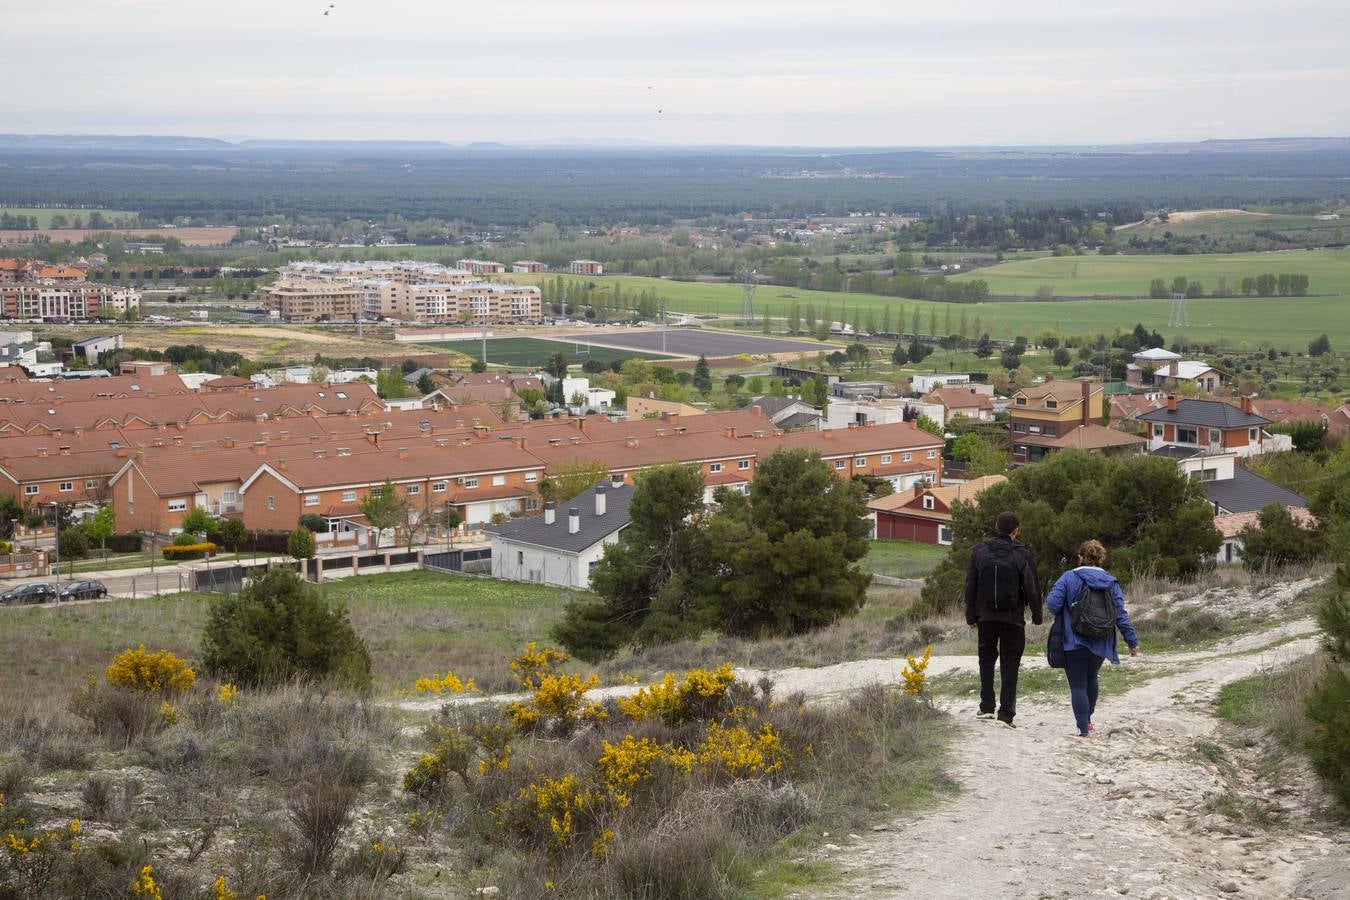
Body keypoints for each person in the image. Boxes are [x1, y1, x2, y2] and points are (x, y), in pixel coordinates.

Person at [1045, 539, 1140, 738]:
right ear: (1101, 558)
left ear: (1080, 557)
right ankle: (1088, 720)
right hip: (1101, 641)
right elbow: (1120, 614)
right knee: (1091, 678)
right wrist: (1131, 641)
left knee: (1078, 684)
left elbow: (1053, 604)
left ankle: (1082, 729)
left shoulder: (1068, 577)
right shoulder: (1111, 582)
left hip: (1073, 640)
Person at [965, 511, 1042, 728]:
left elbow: (971, 585)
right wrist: (1037, 615)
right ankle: (1006, 714)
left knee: (986, 660)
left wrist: (971, 615)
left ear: (996, 527)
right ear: (1015, 530)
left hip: (986, 617)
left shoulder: (978, 551)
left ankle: (986, 706)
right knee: (1010, 664)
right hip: (1013, 619)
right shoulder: (1022, 554)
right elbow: (1032, 588)